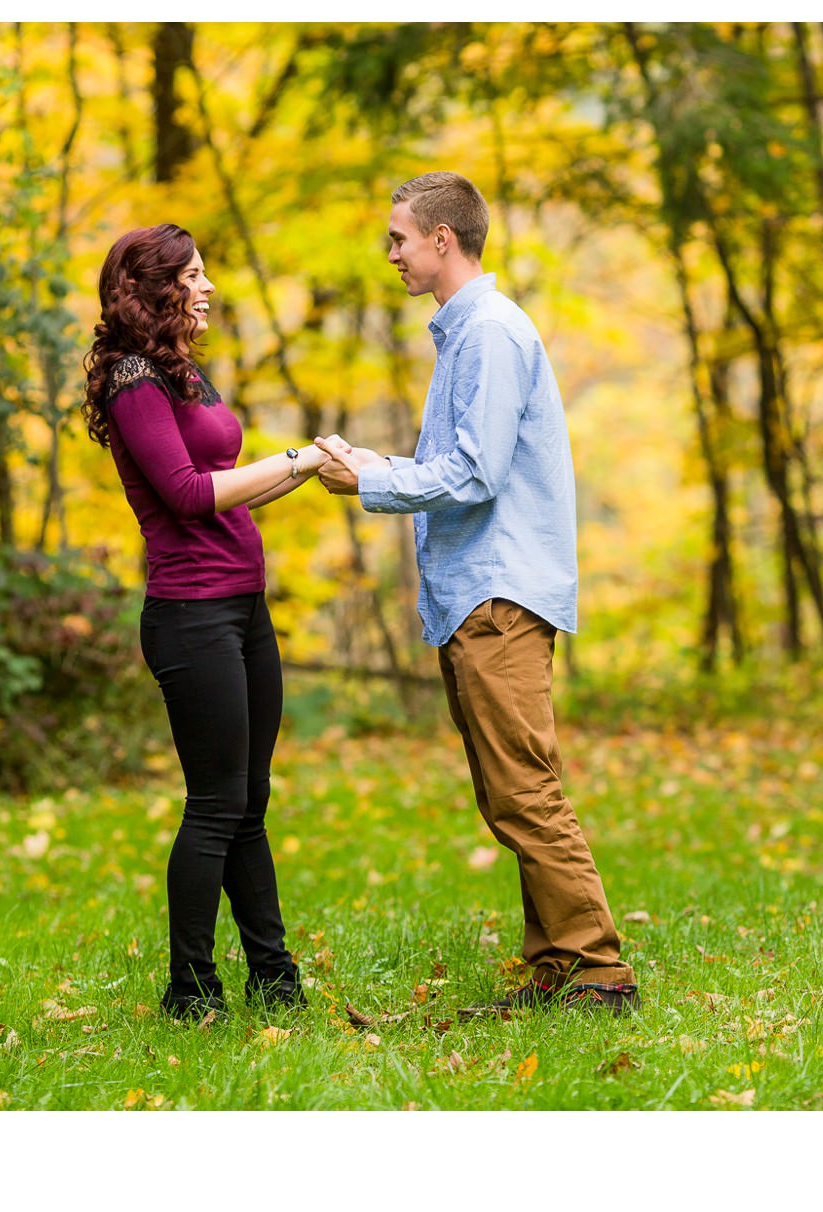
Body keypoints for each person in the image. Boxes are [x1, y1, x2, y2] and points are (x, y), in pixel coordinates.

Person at [316, 172, 638, 1016]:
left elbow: (476, 472)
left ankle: (600, 970)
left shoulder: (489, 334)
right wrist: (376, 468)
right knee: (507, 788)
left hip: (499, 596)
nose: (390, 253)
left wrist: (371, 482)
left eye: (399, 238)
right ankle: (556, 962)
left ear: (442, 241)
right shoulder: (465, 335)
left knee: (525, 788)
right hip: (477, 595)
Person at [80, 223, 333, 1021]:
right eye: (193, 274)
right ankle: (189, 987)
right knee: (216, 805)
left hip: (243, 607)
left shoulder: (182, 370)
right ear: (153, 288)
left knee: (249, 800)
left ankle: (275, 975)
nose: (209, 286)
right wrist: (294, 457)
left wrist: (314, 467)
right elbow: (189, 494)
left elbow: (232, 485)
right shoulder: (131, 380)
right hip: (191, 617)